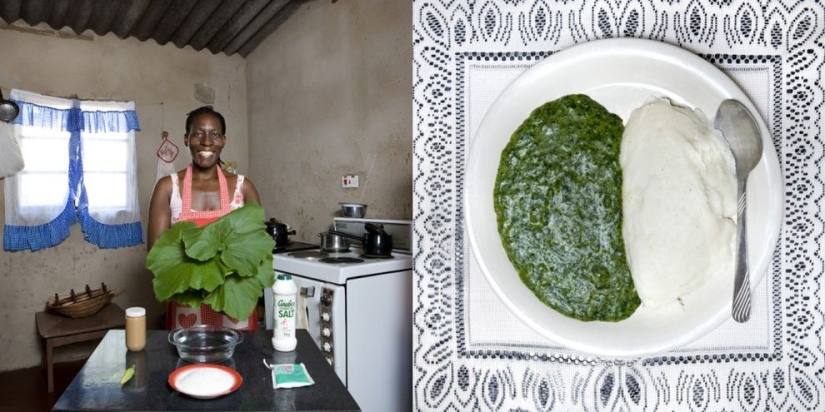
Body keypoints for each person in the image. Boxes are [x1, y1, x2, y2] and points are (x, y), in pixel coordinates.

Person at [148, 105, 262, 330]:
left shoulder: (244, 187)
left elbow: (256, 251)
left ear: (224, 140)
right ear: (186, 138)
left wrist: (215, 270)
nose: (207, 142)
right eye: (198, 134)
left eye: (215, 135)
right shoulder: (167, 187)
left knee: (240, 361)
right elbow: (156, 255)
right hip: (187, 302)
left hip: (234, 299)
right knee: (191, 363)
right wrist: (202, 277)